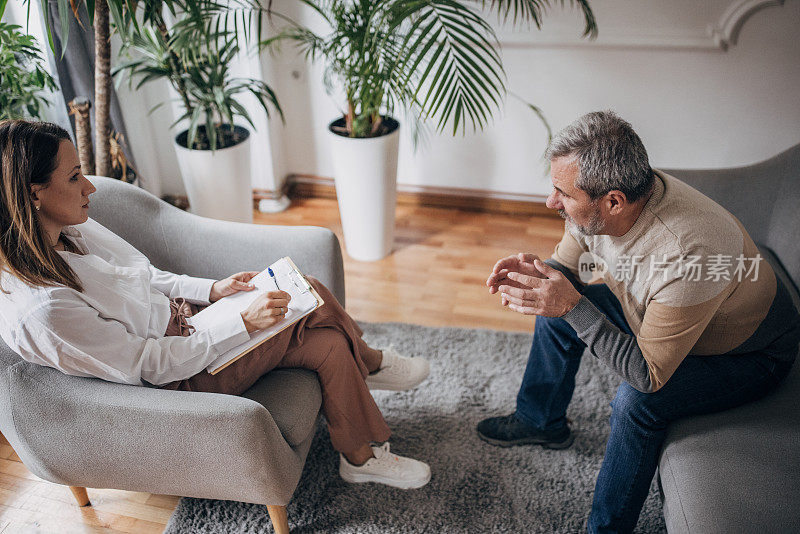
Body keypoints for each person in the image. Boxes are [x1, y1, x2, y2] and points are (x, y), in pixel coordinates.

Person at [0, 119, 431, 490]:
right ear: (33, 192)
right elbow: (149, 365)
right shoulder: (45, 310)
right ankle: (371, 365)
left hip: (190, 329)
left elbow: (144, 274)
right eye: (75, 176)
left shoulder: (67, 230)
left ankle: (359, 457)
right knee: (309, 293)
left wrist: (213, 291)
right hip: (177, 383)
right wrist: (242, 323)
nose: (90, 186)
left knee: (328, 343)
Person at [477, 111, 800, 532]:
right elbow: (568, 267)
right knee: (555, 310)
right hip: (652, 309)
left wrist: (572, 306)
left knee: (635, 404)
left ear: (613, 201)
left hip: (751, 353)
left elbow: (648, 375)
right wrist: (542, 275)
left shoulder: (688, 252)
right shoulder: (611, 200)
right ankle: (541, 422)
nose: (550, 202)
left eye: (562, 193)